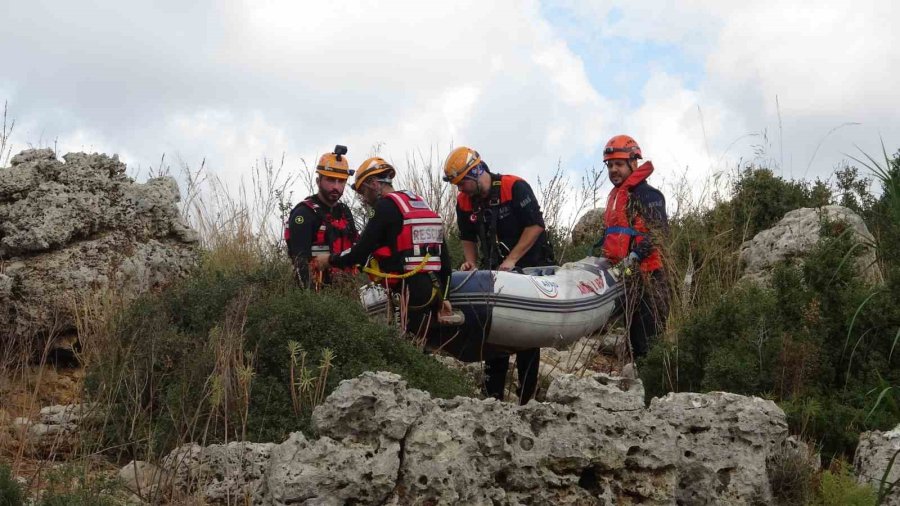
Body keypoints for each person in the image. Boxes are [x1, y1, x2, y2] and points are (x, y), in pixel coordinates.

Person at [443, 146, 555, 405]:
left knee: (528, 336)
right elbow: (467, 236)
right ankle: (493, 398)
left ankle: (527, 398)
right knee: (494, 334)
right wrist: (471, 262)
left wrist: (512, 260)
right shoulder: (464, 201)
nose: (461, 189)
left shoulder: (514, 187)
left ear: (477, 172)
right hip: (495, 269)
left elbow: (535, 225)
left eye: (462, 183)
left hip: (529, 266)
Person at [314, 157, 453, 336]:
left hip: (409, 290)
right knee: (423, 341)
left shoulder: (385, 207)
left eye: (363, 191)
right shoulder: (417, 203)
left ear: (373, 183)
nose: (364, 198)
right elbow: (444, 257)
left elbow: (359, 252)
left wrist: (329, 260)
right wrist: (445, 297)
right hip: (434, 289)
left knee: (404, 343)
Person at [594, 135, 669, 368]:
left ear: (633, 163)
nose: (613, 170)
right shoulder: (617, 196)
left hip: (650, 279)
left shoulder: (648, 195)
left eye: (619, 164)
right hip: (625, 278)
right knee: (634, 345)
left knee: (648, 345)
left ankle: (655, 385)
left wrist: (635, 257)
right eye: (610, 165)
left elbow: (658, 234)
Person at [285, 145, 359, 289]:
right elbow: (300, 262)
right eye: (330, 180)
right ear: (318, 181)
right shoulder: (304, 213)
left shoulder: (344, 212)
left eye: (341, 181)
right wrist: (309, 298)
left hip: (347, 291)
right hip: (318, 293)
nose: (336, 187)